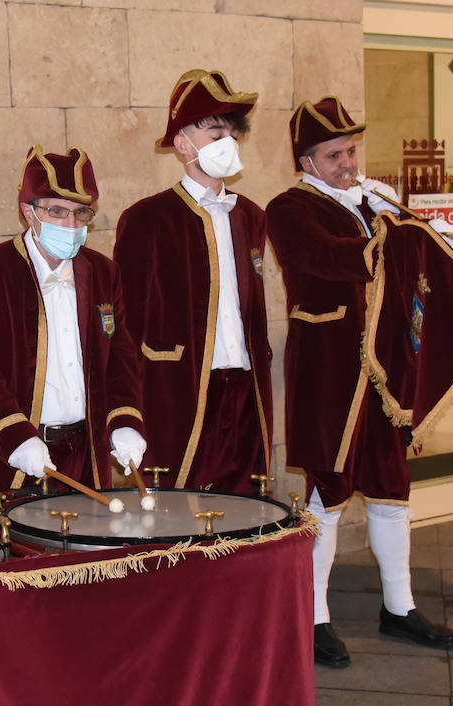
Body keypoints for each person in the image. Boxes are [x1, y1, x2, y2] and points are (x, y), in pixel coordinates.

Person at [265, 96, 453, 669]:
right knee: (328, 488)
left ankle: (398, 607)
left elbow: (408, 271)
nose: (348, 162)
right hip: (330, 369)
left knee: (391, 483)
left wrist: (403, 222)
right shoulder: (288, 207)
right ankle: (313, 614)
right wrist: (392, 231)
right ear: (307, 160)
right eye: (334, 154)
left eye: (351, 150)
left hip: (383, 369)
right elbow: (333, 260)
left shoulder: (370, 204)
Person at [0, 145, 147, 493]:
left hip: (88, 456)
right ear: (28, 211)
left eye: (80, 213)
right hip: (16, 457)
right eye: (56, 211)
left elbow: (120, 355)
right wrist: (15, 437)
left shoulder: (104, 272)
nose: (70, 224)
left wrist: (126, 420)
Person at [115, 69, 273, 492]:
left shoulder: (251, 216)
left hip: (245, 386)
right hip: (179, 389)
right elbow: (126, 324)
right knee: (179, 513)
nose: (228, 143)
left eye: (233, 134)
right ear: (183, 143)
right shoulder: (147, 219)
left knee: (246, 509)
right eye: (215, 132)